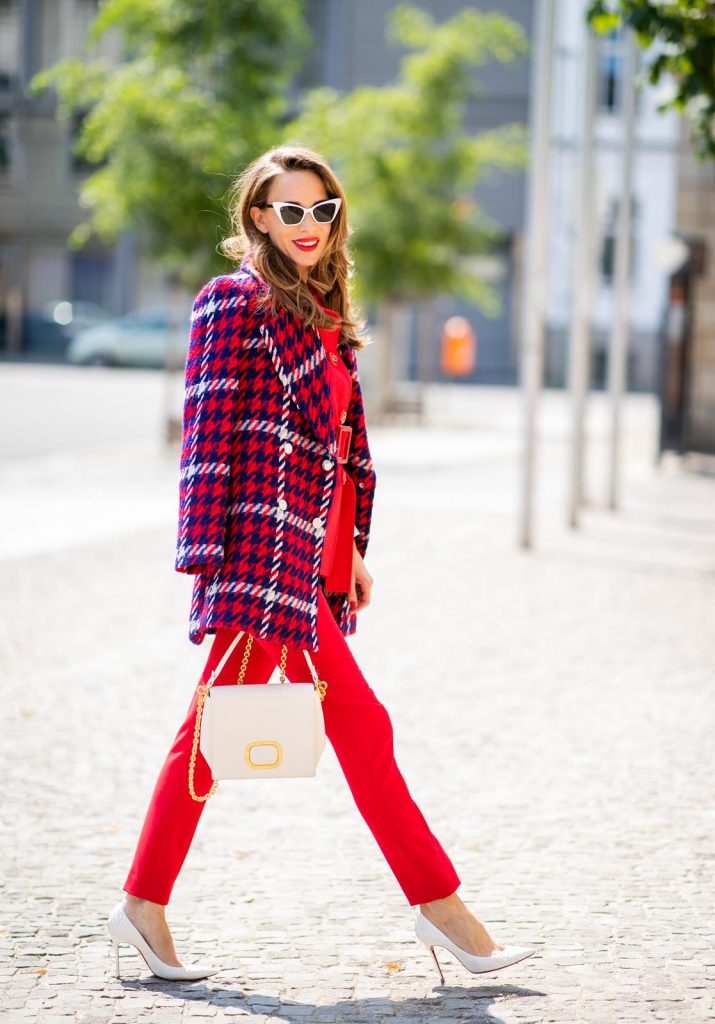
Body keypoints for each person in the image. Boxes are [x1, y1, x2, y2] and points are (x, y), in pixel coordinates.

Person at [106, 145, 537, 984]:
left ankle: (143, 907)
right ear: (258, 218)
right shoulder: (232, 302)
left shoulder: (322, 310)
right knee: (305, 730)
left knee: (282, 731)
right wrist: (211, 561)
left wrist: (351, 556)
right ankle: (443, 913)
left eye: (321, 210)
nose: (307, 226)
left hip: (306, 555)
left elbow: (341, 449)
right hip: (256, 558)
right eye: (289, 210)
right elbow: (207, 435)